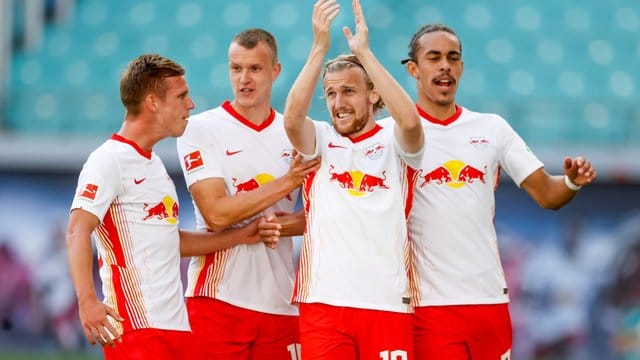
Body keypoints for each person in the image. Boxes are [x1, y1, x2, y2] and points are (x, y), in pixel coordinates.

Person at [400, 23, 598, 359]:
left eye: (453, 58)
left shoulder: (492, 128)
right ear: (414, 69)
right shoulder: (393, 134)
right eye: (434, 58)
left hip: (488, 302)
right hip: (428, 307)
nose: (445, 65)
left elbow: (548, 195)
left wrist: (571, 182)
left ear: (461, 67)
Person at [66, 54, 270, 359]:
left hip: (177, 331)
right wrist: (87, 300)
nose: (191, 105)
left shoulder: (155, 164)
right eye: (182, 96)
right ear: (152, 103)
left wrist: (240, 236)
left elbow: (169, 241)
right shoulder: (108, 159)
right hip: (136, 331)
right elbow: (76, 231)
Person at [282, 0, 424, 358]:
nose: (338, 101)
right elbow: (292, 118)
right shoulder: (322, 139)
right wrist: (319, 48)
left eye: (348, 91)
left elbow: (410, 122)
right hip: (324, 303)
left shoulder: (394, 137)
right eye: (330, 93)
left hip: (388, 302)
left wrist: (363, 53)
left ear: (373, 93)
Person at [175, 29, 320, 359]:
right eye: (236, 68)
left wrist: (280, 227)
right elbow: (217, 214)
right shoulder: (200, 129)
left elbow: (321, 215)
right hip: (217, 300)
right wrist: (288, 182)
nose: (244, 79)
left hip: (282, 304)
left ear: (275, 71)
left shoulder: (297, 132)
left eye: (254, 68)